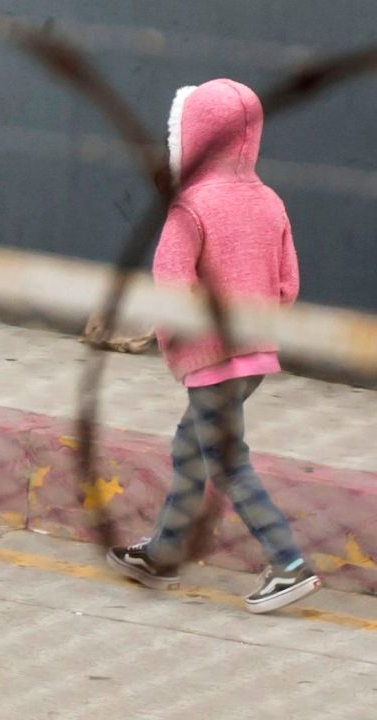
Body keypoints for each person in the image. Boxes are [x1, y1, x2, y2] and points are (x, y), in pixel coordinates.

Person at [106, 78, 321, 614]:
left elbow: (171, 286)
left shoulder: (190, 206)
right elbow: (288, 283)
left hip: (210, 358)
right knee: (191, 447)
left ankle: (288, 563)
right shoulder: (270, 201)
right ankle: (163, 554)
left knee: (226, 459)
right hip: (255, 354)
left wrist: (173, 342)